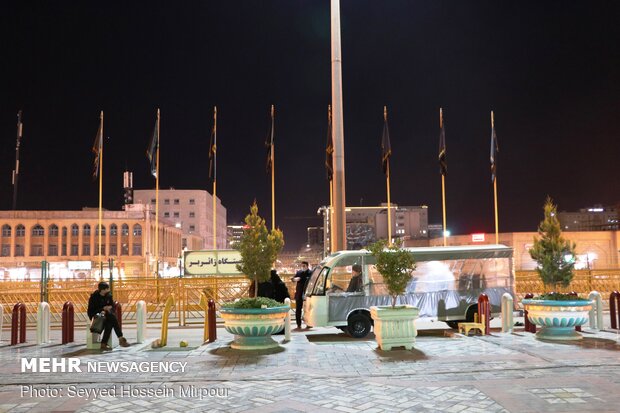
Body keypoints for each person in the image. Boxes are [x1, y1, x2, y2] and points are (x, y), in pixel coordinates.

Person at [87, 282, 130, 350]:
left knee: (109, 323)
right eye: (107, 289)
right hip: (96, 315)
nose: (108, 290)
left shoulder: (108, 296)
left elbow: (112, 306)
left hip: (107, 315)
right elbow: (91, 310)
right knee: (112, 319)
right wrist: (102, 309)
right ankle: (120, 338)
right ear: (102, 290)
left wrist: (109, 308)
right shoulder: (94, 297)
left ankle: (104, 344)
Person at [291, 261, 312, 329]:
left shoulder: (310, 273)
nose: (303, 267)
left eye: (304, 266)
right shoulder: (299, 272)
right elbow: (293, 279)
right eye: (302, 266)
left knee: (308, 309)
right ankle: (298, 324)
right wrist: (294, 279)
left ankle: (309, 323)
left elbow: (310, 280)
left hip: (307, 293)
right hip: (299, 293)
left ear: (307, 266)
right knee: (298, 309)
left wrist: (300, 279)